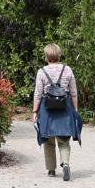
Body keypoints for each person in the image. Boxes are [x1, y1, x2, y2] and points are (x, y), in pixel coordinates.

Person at [32, 44, 81, 181]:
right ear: (59, 55)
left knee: (48, 139)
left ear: (46, 56)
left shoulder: (42, 71)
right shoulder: (67, 70)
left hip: (47, 108)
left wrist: (35, 111)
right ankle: (65, 163)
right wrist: (75, 110)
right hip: (65, 107)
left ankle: (51, 169)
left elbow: (38, 93)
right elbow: (74, 92)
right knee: (64, 139)